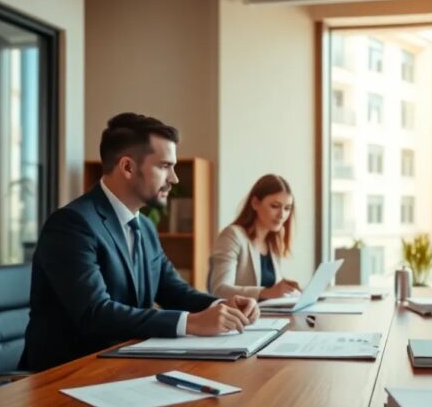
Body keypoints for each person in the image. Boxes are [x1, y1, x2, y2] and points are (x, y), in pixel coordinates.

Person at [21, 113, 258, 371]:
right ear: (127, 167)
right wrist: (191, 322)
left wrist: (221, 306)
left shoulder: (143, 226)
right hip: (69, 375)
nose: (175, 179)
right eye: (165, 166)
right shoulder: (71, 225)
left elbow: (172, 290)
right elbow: (95, 313)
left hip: (125, 365)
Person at [209, 174, 301, 300]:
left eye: (287, 208)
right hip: (240, 317)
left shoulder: (273, 240)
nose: (282, 215)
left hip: (268, 316)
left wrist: (287, 287)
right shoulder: (232, 236)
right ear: (255, 203)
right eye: (275, 206)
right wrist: (266, 292)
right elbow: (219, 289)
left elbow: (268, 283)